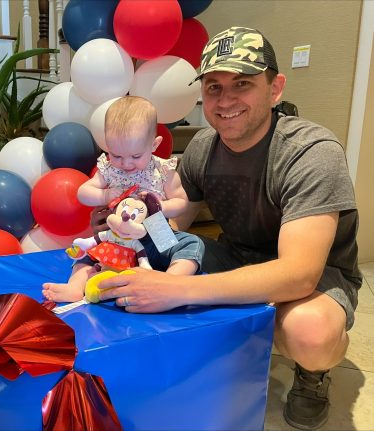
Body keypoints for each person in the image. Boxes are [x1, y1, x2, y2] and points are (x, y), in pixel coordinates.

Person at [96, 26, 362, 431]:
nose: (226, 100)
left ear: (276, 88)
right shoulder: (203, 147)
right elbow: (173, 226)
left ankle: (312, 374)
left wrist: (177, 290)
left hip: (315, 276)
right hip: (237, 254)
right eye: (214, 87)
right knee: (149, 269)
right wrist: (129, 223)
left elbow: (298, 273)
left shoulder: (311, 153)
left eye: (243, 84)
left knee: (310, 334)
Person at [42, 96, 204, 303]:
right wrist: (105, 194)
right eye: (116, 155)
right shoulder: (109, 170)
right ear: (107, 146)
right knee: (87, 253)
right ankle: (75, 287)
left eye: (136, 156)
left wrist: (161, 206)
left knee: (192, 244)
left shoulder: (163, 170)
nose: (126, 163)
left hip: (156, 235)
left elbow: (181, 201)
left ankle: (170, 282)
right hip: (117, 239)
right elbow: (83, 192)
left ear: (154, 144)